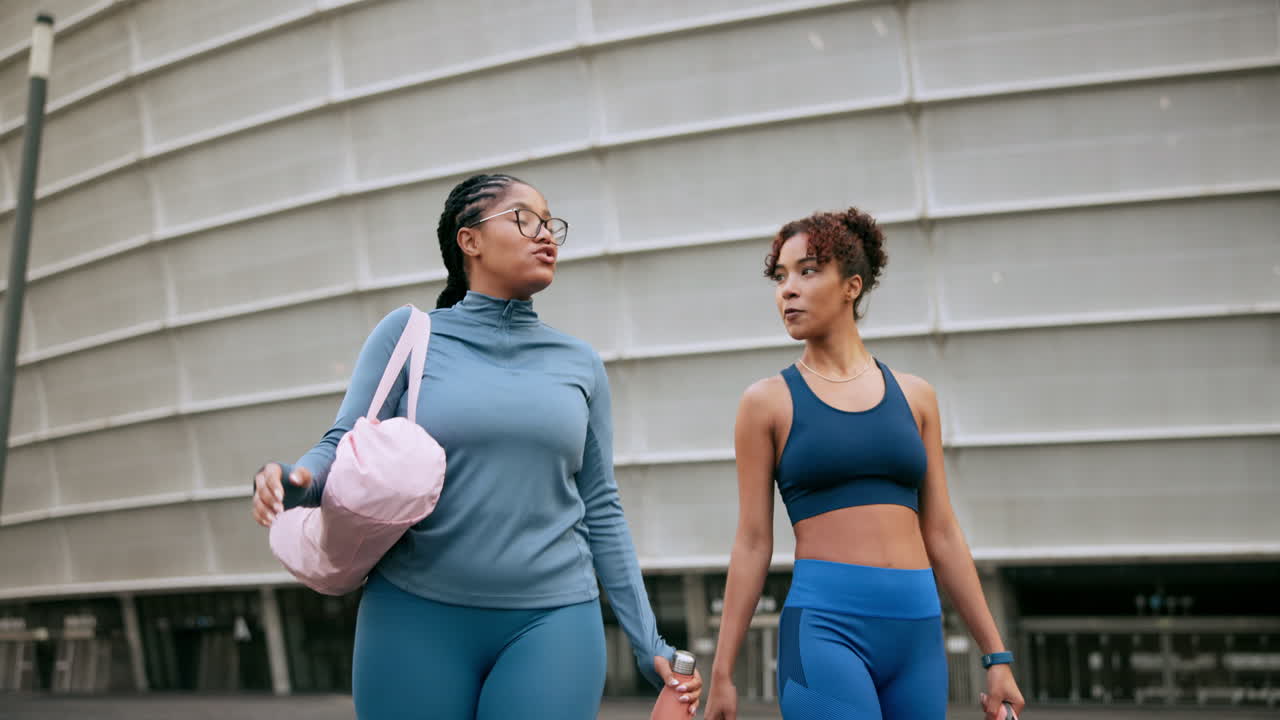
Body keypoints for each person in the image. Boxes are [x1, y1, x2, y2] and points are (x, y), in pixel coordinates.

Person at [251, 173, 702, 719]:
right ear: (470, 240)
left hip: (554, 622)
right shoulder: (409, 335)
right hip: (413, 618)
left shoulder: (580, 363)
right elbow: (344, 441)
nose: (547, 236)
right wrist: (295, 481)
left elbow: (601, 506)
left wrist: (648, 642)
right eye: (524, 219)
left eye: (552, 224)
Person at [703, 208, 1025, 719]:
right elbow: (752, 542)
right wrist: (721, 672)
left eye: (808, 271)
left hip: (918, 632)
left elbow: (941, 531)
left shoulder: (917, 397)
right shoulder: (766, 403)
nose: (788, 289)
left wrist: (996, 656)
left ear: (852, 286)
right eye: (780, 276)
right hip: (825, 631)